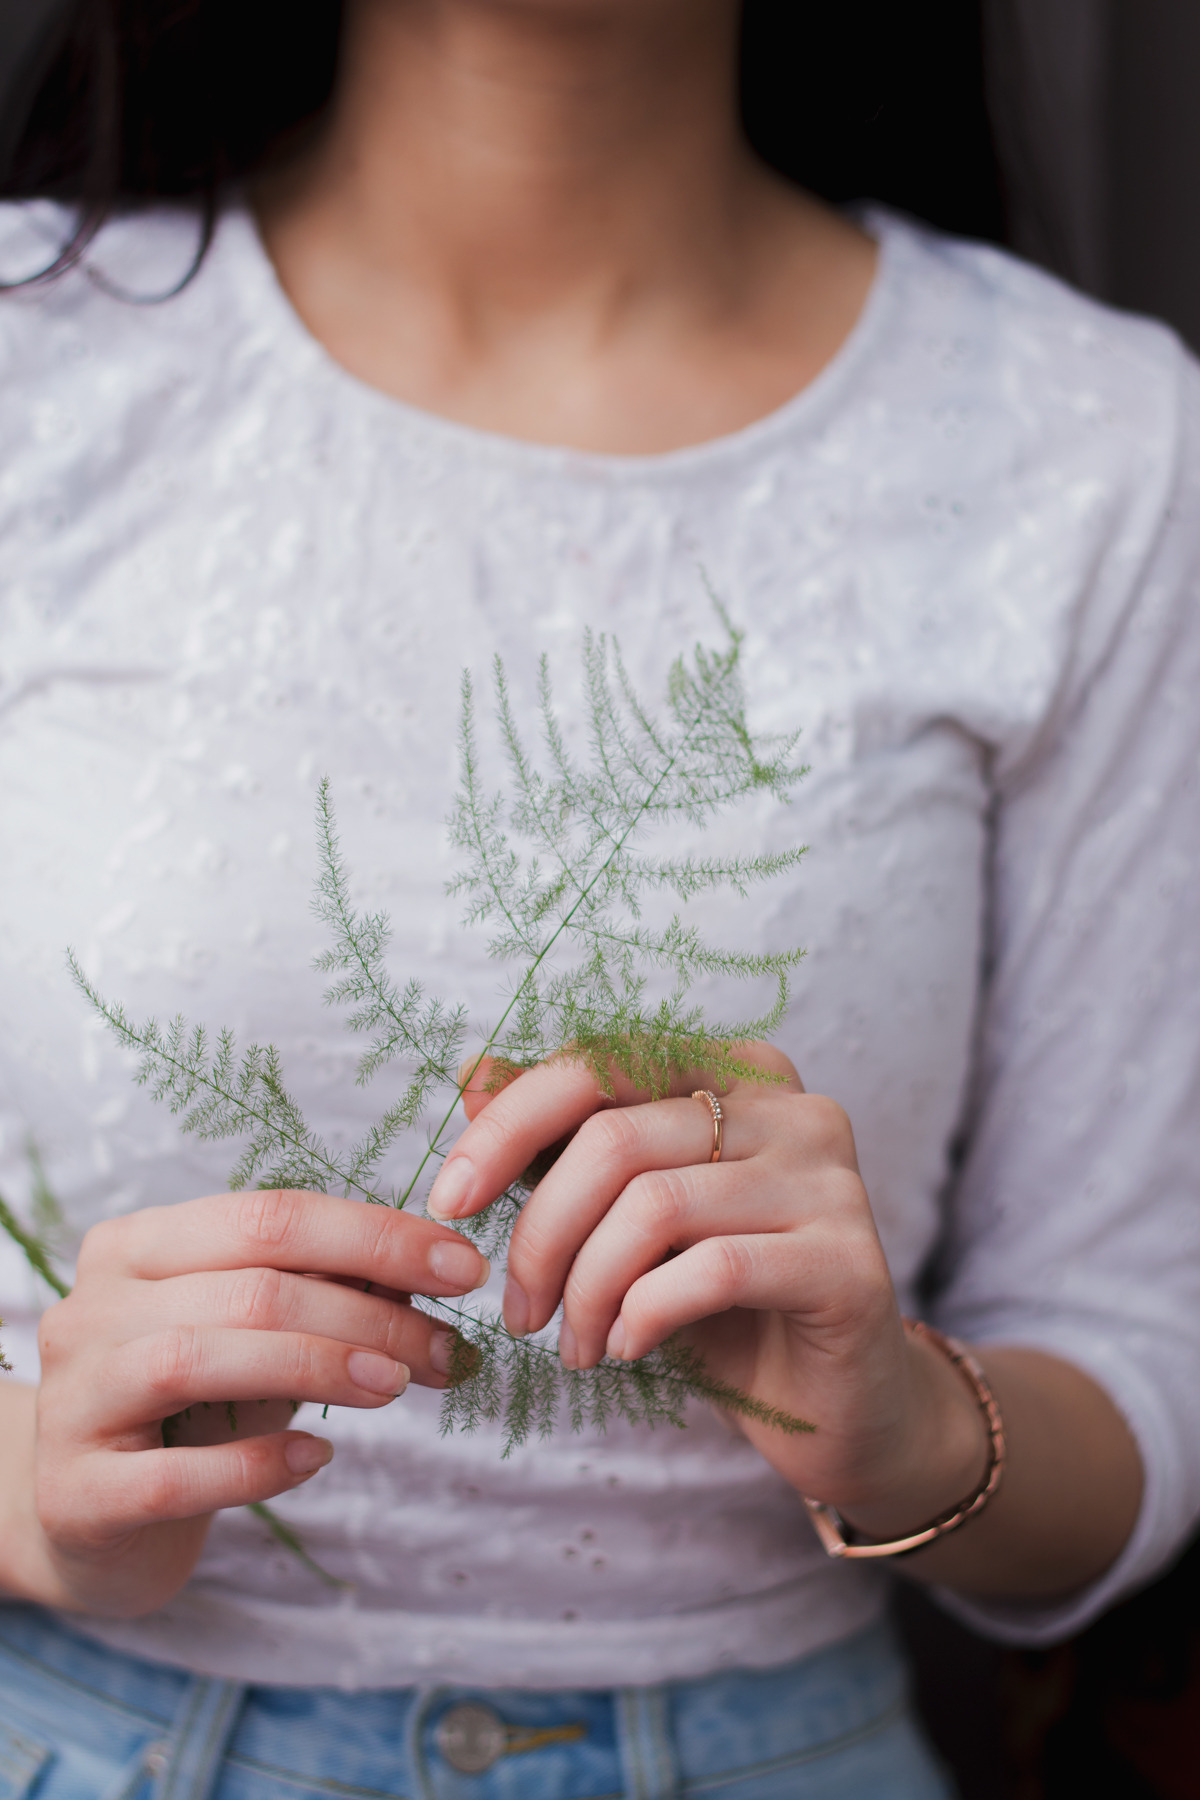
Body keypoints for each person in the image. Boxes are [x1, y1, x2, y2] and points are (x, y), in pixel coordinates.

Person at [0, 3, 1197, 1796]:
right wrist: (38, 1495)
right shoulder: (37, 358)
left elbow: (1142, 1357)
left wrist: (895, 1416)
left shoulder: (1093, 445)